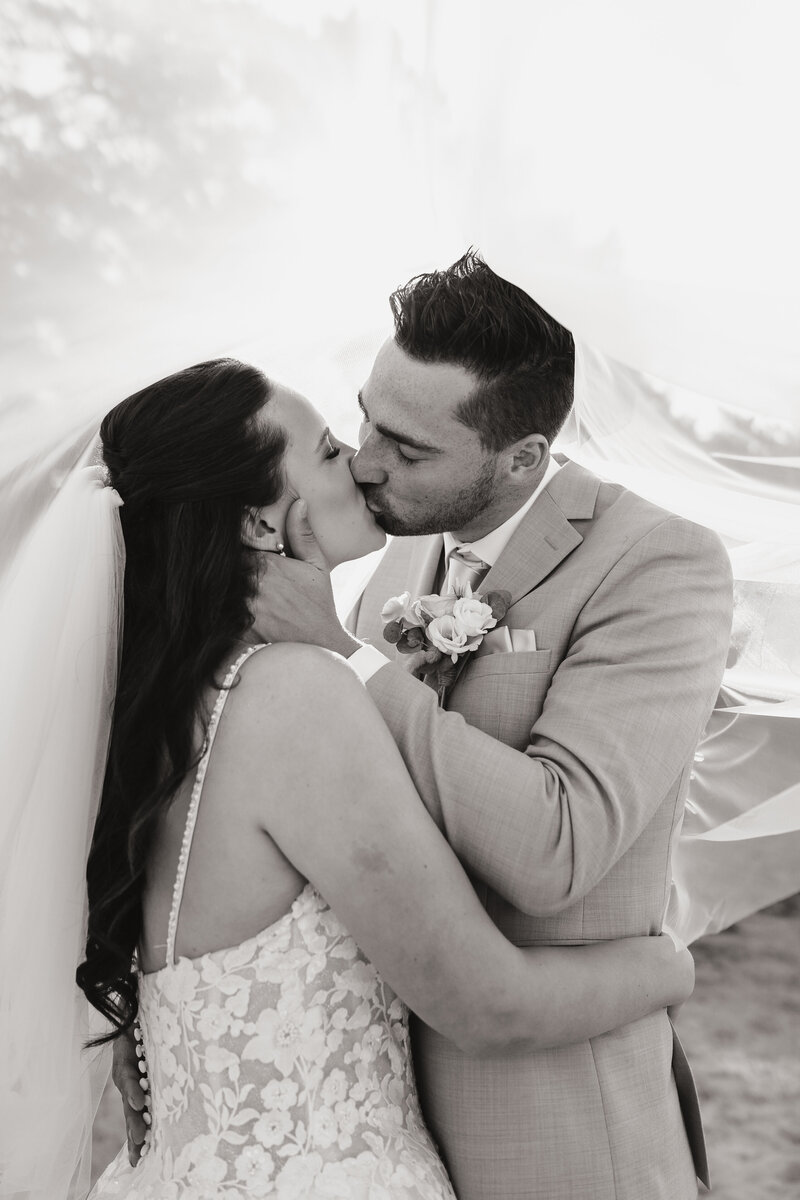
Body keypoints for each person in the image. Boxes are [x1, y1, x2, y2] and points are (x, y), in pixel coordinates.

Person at [48, 356, 696, 1200]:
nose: (359, 462)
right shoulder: (296, 695)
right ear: (259, 522)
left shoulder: (163, 702)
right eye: (328, 448)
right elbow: (488, 1004)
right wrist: (668, 967)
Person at [237, 252, 735, 1199]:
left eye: (409, 448)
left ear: (522, 459)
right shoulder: (401, 549)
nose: (367, 463)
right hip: (367, 1122)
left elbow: (559, 846)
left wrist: (345, 660)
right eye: (366, 421)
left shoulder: (659, 563)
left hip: (557, 1128)